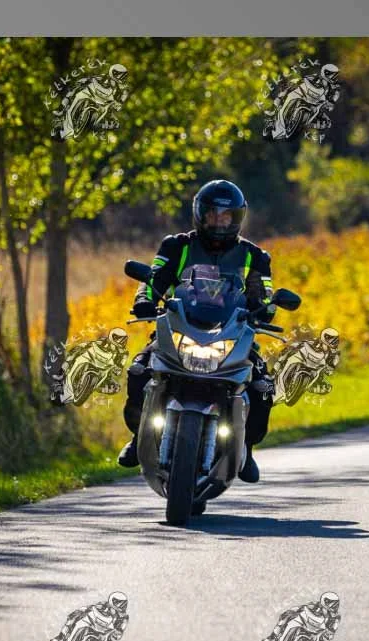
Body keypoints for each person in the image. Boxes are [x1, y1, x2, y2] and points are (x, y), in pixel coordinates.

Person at [118, 179, 276, 483]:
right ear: (200, 214)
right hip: (180, 326)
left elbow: (263, 293)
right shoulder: (176, 246)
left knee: (262, 385)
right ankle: (139, 436)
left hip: (233, 332)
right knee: (139, 370)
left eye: (226, 215)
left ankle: (246, 446)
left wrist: (265, 308)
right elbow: (154, 279)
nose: (219, 221)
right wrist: (144, 301)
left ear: (237, 217)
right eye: (213, 214)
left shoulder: (255, 256)